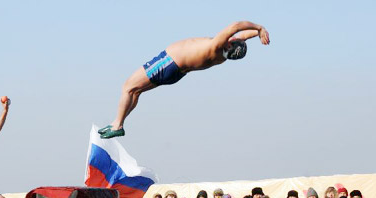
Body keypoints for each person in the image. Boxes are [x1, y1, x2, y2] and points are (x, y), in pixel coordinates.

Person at [99, 21, 270, 139]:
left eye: (233, 40)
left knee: (128, 87)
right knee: (136, 91)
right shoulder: (223, 56)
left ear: (230, 45)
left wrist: (259, 26)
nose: (233, 37)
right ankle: (118, 122)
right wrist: (258, 33)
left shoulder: (216, 45)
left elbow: (236, 26)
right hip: (176, 72)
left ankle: (118, 125)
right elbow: (243, 36)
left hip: (168, 63)